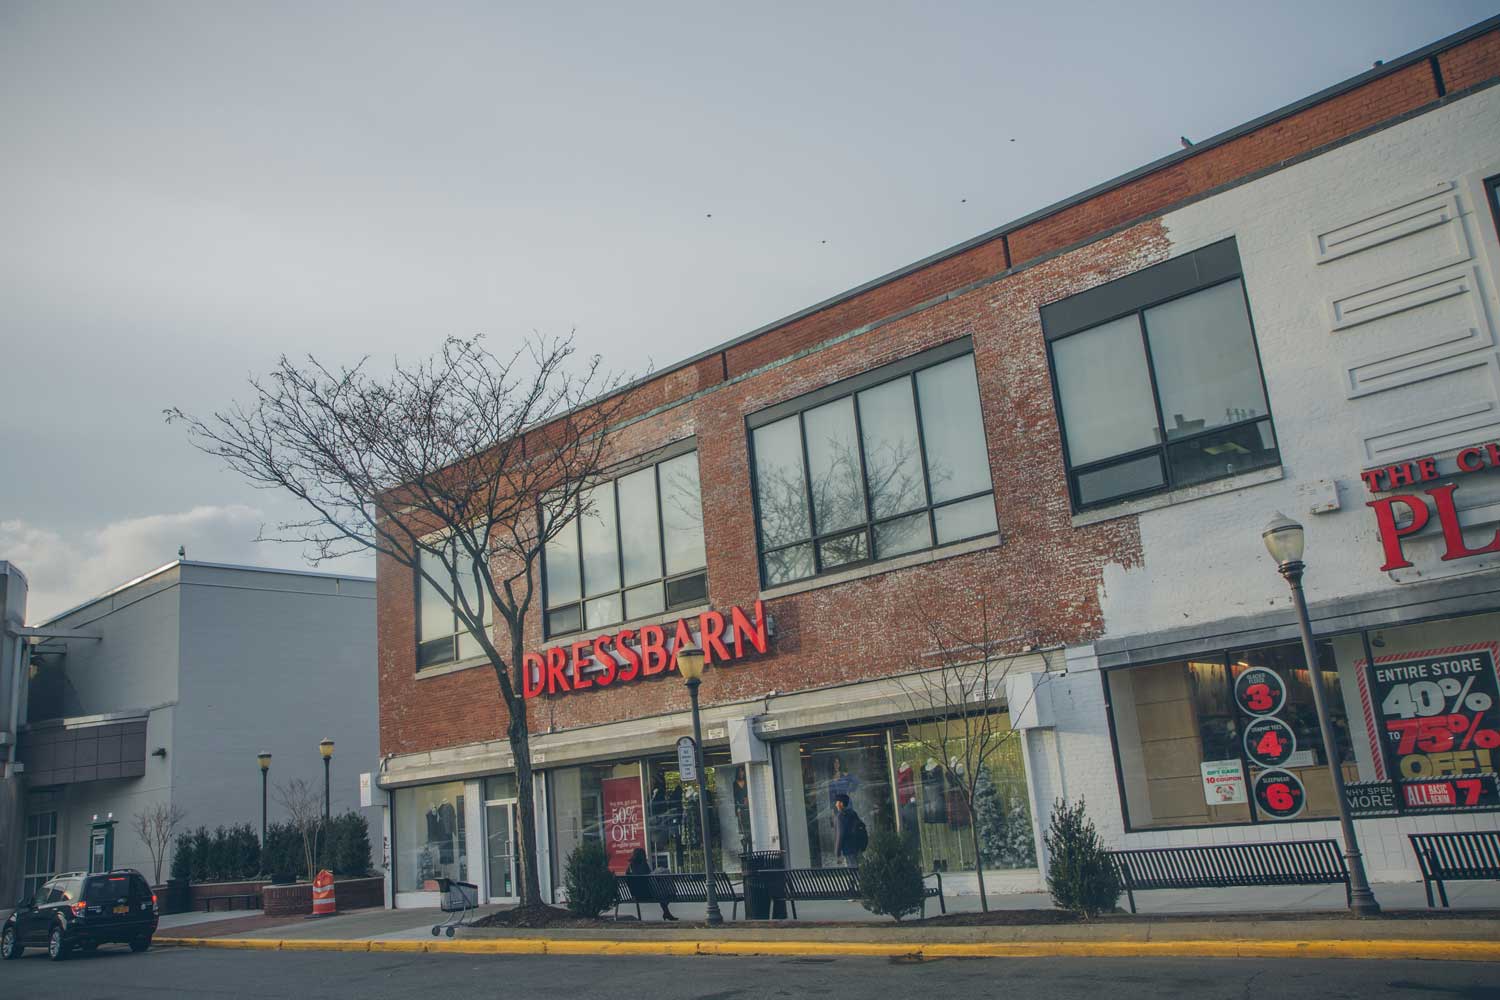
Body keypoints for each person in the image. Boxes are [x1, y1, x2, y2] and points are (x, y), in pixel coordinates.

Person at [626, 847, 677, 921]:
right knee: (667, 894)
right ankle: (666, 912)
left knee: (661, 892)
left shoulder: (630, 867)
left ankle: (667, 913)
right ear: (642, 856)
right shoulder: (643, 865)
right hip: (647, 894)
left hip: (636, 895)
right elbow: (649, 877)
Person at [832, 793, 867, 866]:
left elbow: (840, 835)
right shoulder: (853, 813)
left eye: (837, 802)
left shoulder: (839, 817)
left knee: (853, 871)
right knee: (861, 868)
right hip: (857, 847)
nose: (836, 805)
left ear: (841, 803)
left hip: (848, 849)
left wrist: (837, 853)